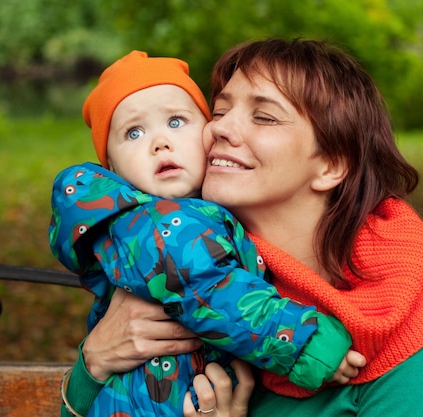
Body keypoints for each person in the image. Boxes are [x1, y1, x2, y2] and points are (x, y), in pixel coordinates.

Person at [63, 38, 423, 417]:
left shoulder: (409, 324)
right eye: (219, 111)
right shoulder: (176, 275)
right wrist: (93, 362)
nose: (219, 128)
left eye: (263, 117)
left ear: (331, 164)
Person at [50, 50, 364, 417]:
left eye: (177, 121)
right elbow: (205, 286)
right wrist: (302, 340)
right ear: (113, 167)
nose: (160, 142)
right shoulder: (149, 223)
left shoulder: (201, 216)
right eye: (133, 132)